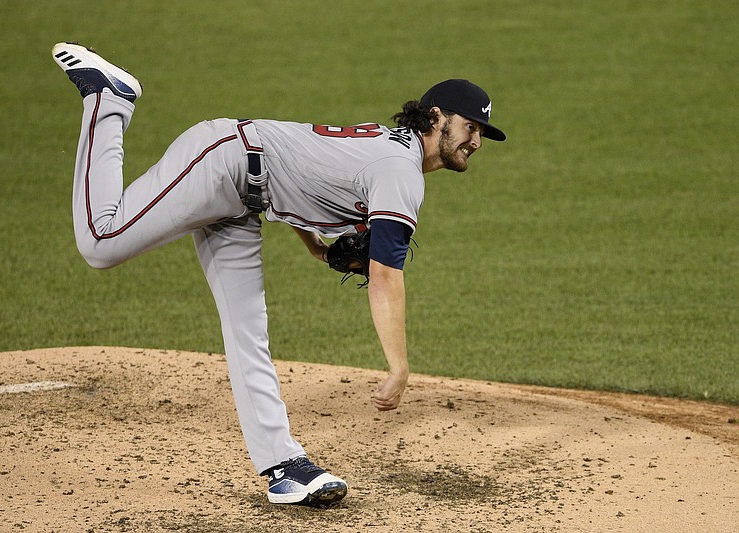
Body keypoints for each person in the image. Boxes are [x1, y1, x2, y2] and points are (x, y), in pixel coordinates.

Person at [51, 42, 506, 507]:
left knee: (248, 329)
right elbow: (386, 275)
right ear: (436, 117)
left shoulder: (392, 151)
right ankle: (109, 102)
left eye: (482, 133)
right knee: (100, 242)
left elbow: (300, 172)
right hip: (221, 161)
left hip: (243, 196)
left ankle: (283, 466)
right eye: (471, 126)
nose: (476, 140)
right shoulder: (401, 172)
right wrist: (399, 367)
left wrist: (315, 247)